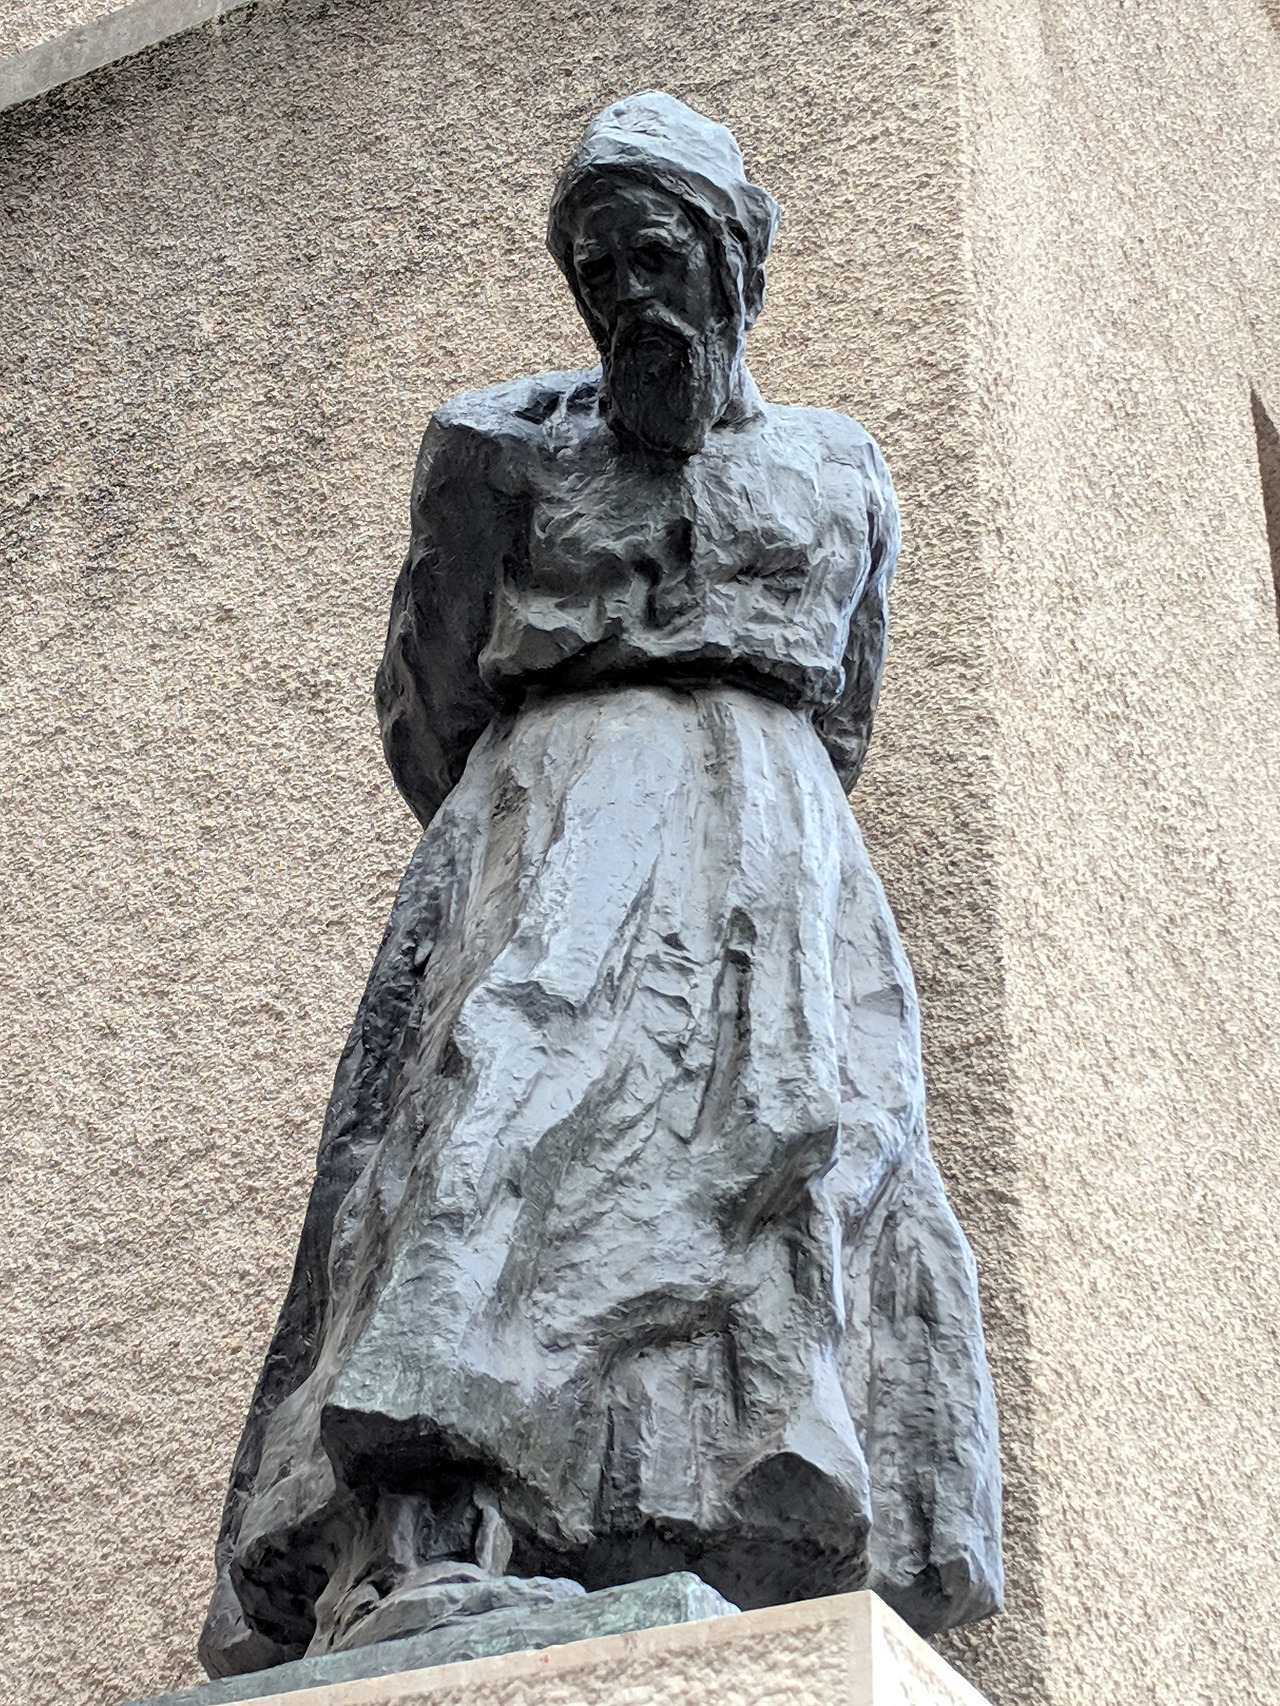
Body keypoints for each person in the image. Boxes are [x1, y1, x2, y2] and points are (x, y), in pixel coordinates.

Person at [198, 91, 1003, 1681]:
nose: (632, 296)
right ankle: (432, 1536)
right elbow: (428, 699)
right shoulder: (493, 447)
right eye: (600, 270)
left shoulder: (842, 468)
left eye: (658, 259)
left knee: (783, 1155)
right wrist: (554, 809)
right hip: (550, 833)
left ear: (736, 260)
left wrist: (735, 798)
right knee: (497, 1123)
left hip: (772, 855)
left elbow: (842, 706)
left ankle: (696, 1526)